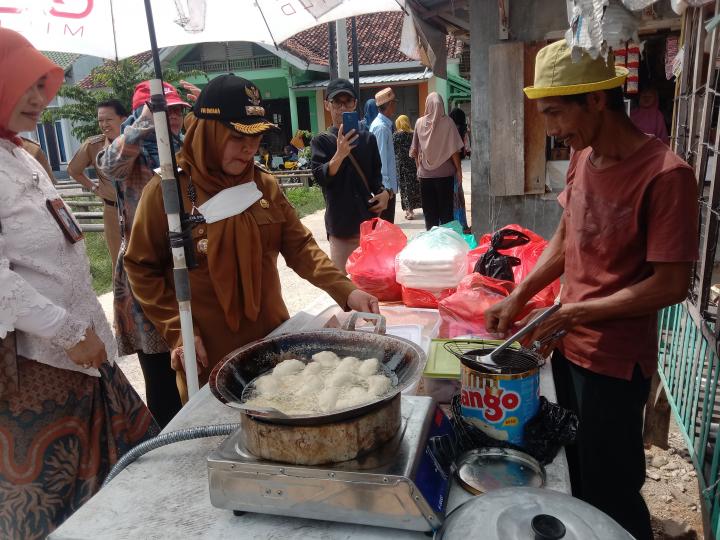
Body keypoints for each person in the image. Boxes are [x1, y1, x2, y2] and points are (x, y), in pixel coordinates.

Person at [484, 40, 698, 540]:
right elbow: (566, 237)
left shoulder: (666, 176)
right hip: (568, 346)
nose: (553, 129)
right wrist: (521, 295)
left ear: (597, 100)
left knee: (612, 490)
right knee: (574, 474)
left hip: (615, 361)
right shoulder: (584, 158)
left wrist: (577, 312)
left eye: (557, 113)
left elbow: (670, 284)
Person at [122, 74, 381, 399]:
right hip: (208, 357)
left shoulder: (263, 186)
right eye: (237, 137)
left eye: (256, 137)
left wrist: (346, 290)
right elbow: (140, 267)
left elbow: (300, 246)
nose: (250, 149)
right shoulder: (168, 194)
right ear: (209, 131)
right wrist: (177, 330)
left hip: (274, 351)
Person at [0, 28, 157, 539]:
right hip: (36, 369)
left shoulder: (21, 155)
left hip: (87, 354)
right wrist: (67, 331)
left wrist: (82, 332)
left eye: (41, 85)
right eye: (23, 85)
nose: (38, 99)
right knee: (54, 509)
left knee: (135, 473)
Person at [97, 81, 190, 428]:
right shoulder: (129, 153)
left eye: (178, 109)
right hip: (144, 269)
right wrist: (143, 124)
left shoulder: (182, 149)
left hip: (184, 261)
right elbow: (107, 167)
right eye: (167, 110)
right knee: (158, 363)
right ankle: (168, 432)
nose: (175, 117)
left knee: (191, 351)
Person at [310, 78, 390, 273]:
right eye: (337, 102)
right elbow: (320, 177)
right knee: (344, 289)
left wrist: (384, 194)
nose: (342, 107)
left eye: (348, 101)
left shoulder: (368, 139)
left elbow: (375, 180)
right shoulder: (321, 142)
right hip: (341, 228)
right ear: (327, 105)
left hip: (367, 226)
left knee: (371, 285)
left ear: (355, 104)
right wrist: (339, 155)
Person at [67, 99, 128, 271]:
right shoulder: (94, 145)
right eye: (100, 120)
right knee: (119, 263)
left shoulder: (138, 142)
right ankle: (122, 298)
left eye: (108, 119)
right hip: (113, 212)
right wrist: (95, 188)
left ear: (123, 119)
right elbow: (73, 170)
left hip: (140, 210)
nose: (104, 124)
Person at [410, 92, 464, 230]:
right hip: (445, 176)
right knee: (446, 213)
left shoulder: (419, 122)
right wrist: (459, 170)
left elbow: (415, 151)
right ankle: (446, 246)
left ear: (427, 104)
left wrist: (419, 169)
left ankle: (432, 244)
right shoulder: (448, 122)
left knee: (430, 213)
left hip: (425, 176)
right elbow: (454, 151)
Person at [370, 87, 399, 223]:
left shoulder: (383, 126)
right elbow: (381, 160)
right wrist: (387, 189)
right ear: (390, 105)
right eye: (394, 103)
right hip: (385, 190)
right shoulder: (381, 128)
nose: (395, 106)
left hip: (386, 190)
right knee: (385, 229)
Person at [393, 114, 421, 220]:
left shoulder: (396, 136)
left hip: (402, 166)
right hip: (413, 164)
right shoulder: (413, 134)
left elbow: (393, 150)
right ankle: (413, 208)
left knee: (405, 188)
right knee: (414, 186)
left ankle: (409, 211)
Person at [448, 106, 471, 232]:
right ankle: (462, 224)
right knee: (459, 198)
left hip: (448, 169)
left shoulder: (448, 130)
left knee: (450, 199)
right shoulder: (463, 131)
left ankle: (453, 226)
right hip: (457, 169)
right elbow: (466, 150)